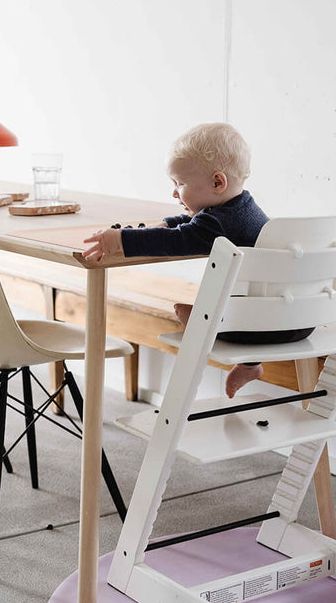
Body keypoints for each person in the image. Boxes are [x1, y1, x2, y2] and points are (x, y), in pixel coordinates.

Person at [82, 122, 270, 398]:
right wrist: (169, 222)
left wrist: (120, 240)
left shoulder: (217, 224)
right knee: (202, 308)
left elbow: (176, 242)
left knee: (195, 316)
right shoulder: (242, 209)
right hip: (290, 319)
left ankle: (240, 354)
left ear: (218, 182)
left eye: (180, 184)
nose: (174, 192)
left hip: (261, 329)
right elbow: (197, 224)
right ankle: (249, 364)